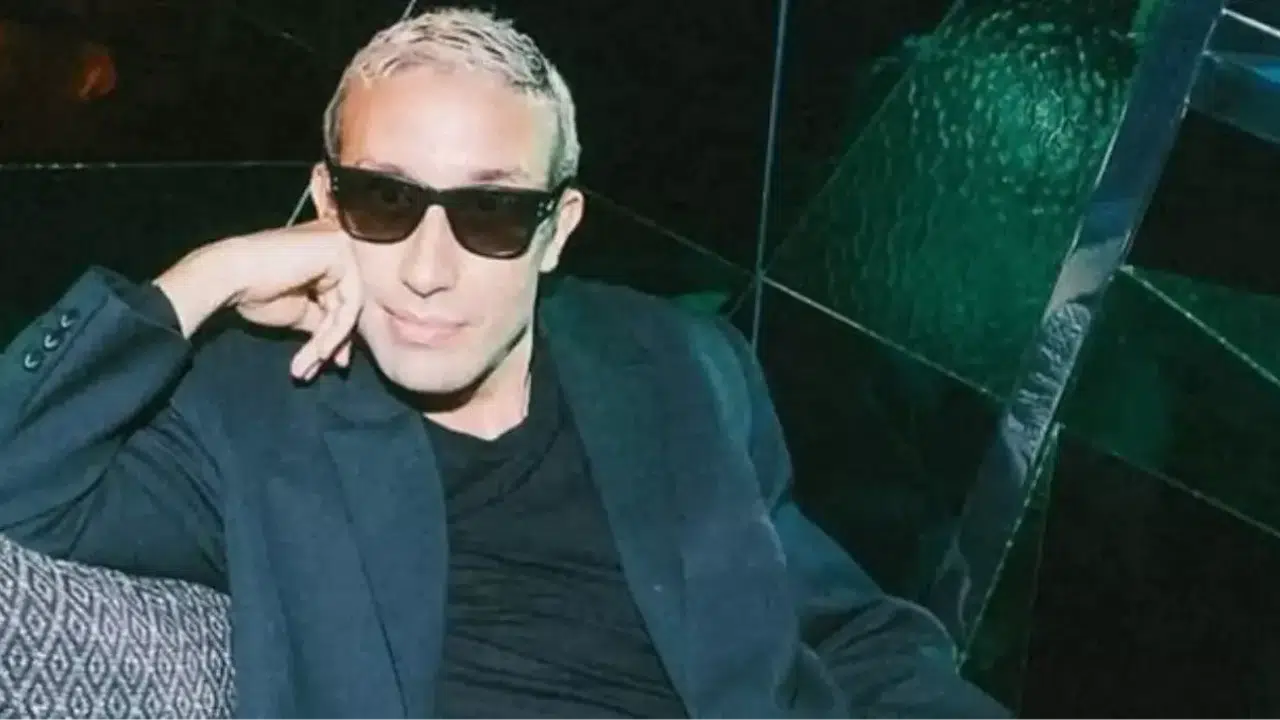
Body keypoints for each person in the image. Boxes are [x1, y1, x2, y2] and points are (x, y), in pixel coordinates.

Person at [0, 7, 1009, 719]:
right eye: (385, 201)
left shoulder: (674, 361)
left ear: (556, 229)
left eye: (490, 212)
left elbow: (843, 629)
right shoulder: (256, 405)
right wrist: (206, 276)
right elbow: (19, 488)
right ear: (326, 202)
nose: (427, 269)